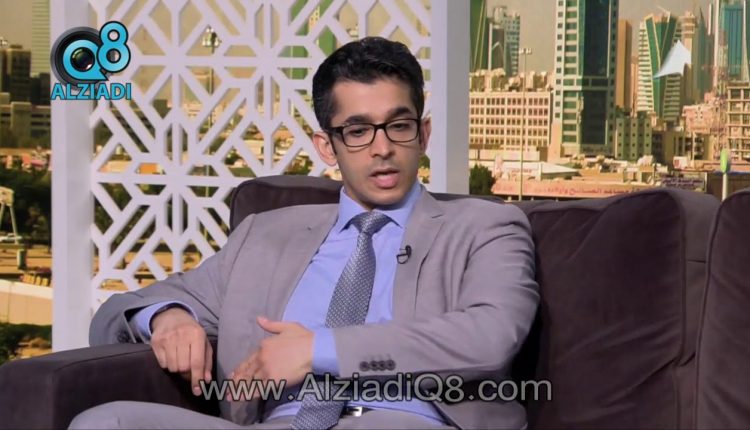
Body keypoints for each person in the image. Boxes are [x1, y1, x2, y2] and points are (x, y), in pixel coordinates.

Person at [70, 37, 539, 430]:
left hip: (403, 420)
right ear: (327, 146)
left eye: (399, 126)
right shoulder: (265, 235)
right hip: (280, 423)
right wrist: (167, 317)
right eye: (357, 131)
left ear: (423, 134)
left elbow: (490, 336)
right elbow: (114, 315)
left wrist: (317, 350)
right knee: (105, 422)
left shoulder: (484, 226)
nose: (382, 148)